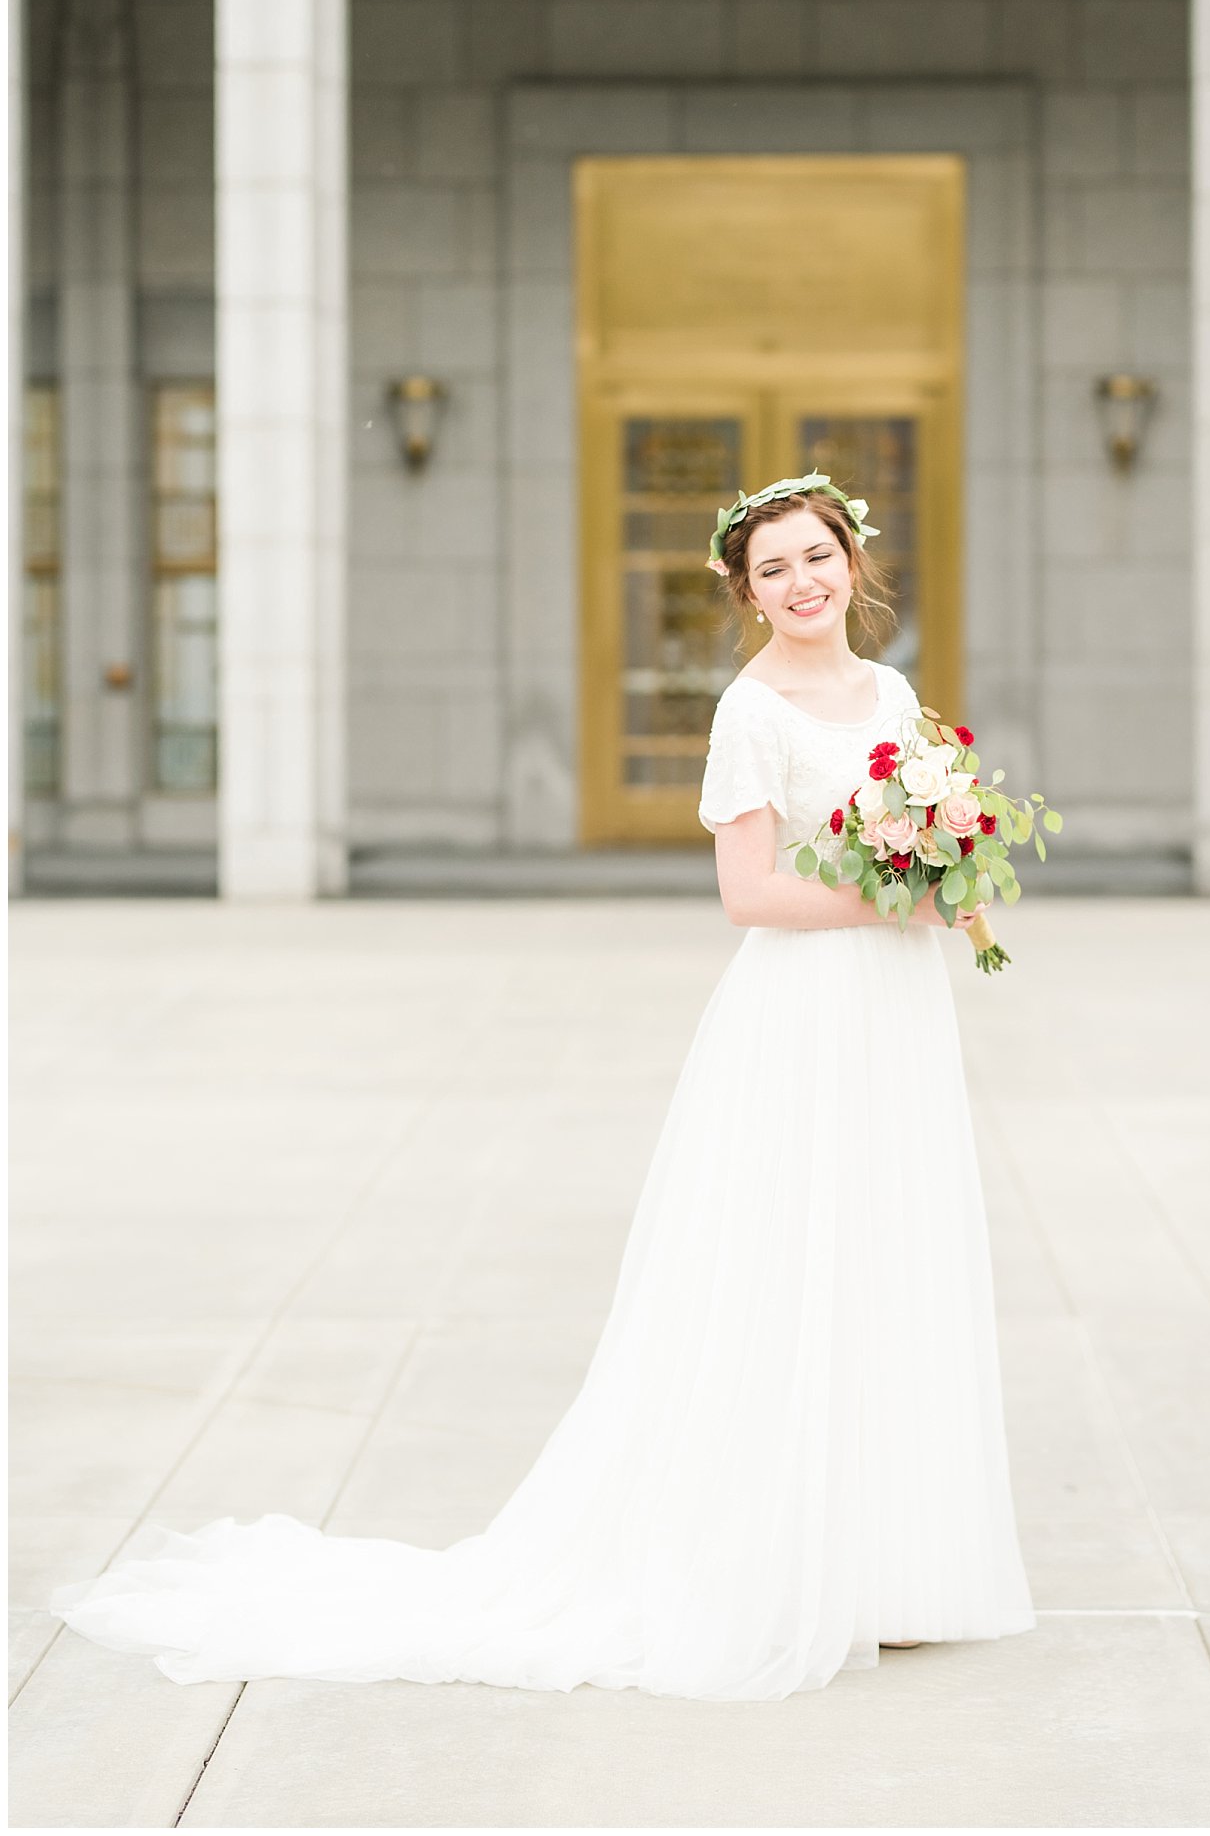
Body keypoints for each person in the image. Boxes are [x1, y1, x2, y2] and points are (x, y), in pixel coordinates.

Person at [47, 474, 1035, 1702]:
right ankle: (772, 1557)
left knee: (887, 1252)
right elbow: (746, 892)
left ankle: (884, 1562)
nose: (800, 582)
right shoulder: (750, 709)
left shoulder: (889, 695)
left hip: (896, 1009)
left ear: (852, 558)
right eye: (771, 567)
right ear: (743, 589)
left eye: (814, 555)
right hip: (806, 1007)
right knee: (791, 1260)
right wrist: (891, 896)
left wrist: (953, 877)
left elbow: (926, 836)